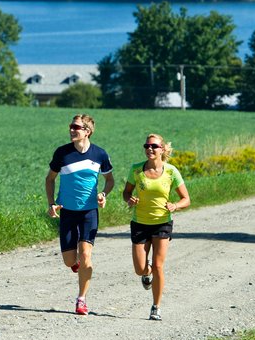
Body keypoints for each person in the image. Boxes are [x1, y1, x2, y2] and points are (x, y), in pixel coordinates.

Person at [45, 113, 115, 316]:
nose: (72, 130)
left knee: (86, 255)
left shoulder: (99, 154)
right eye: (71, 126)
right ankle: (76, 265)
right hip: (67, 211)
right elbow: (49, 179)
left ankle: (81, 299)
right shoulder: (62, 153)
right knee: (69, 261)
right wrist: (52, 203)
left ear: (87, 131)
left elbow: (109, 180)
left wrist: (103, 194)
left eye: (76, 127)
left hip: (89, 212)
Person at [123, 133, 190, 321]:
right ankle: (147, 272)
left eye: (153, 146)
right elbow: (126, 193)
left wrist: (175, 206)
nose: (149, 149)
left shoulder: (171, 172)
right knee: (139, 268)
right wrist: (130, 199)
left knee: (159, 265)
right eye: (146, 146)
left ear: (162, 149)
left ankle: (156, 306)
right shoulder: (136, 170)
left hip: (162, 223)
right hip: (140, 223)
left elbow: (186, 199)